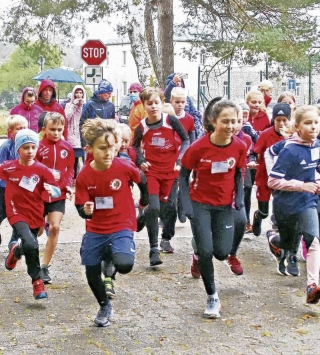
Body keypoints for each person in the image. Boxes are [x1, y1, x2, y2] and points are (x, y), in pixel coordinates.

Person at [75, 118, 148, 327]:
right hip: (96, 228)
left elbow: (142, 179)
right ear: (89, 149)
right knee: (90, 271)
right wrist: (85, 210)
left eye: (111, 148)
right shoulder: (84, 176)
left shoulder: (123, 166)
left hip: (122, 223)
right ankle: (104, 305)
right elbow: (81, 208)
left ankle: (111, 257)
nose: (108, 153)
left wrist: (143, 204)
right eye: (102, 148)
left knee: (124, 265)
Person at [179, 100, 247, 318]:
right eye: (225, 121)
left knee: (221, 252)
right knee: (208, 251)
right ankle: (212, 297)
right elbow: (182, 175)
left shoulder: (239, 146)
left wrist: (240, 200)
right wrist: (186, 205)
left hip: (225, 205)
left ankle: (198, 254)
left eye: (234, 121)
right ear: (213, 121)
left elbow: (238, 173)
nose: (230, 126)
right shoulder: (198, 147)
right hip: (200, 205)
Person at [267, 105, 320, 304]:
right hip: (286, 204)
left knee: (313, 239)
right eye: (308, 123)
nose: (313, 127)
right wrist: (301, 185)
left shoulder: (317, 145)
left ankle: (312, 286)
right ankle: (274, 239)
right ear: (297, 126)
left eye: (316, 122)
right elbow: (273, 181)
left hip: (308, 202)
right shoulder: (290, 150)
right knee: (288, 243)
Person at [132, 87, 189, 265]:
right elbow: (134, 146)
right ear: (144, 105)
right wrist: (140, 160)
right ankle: (153, 249)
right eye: (149, 104)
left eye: (157, 103)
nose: (154, 107)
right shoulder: (142, 126)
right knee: (155, 207)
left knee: (166, 208)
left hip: (171, 172)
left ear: (162, 103)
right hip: (153, 172)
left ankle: (144, 213)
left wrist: (180, 160)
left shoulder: (170, 120)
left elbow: (186, 139)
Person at [2, 129, 60, 300]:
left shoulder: (42, 170)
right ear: (18, 149)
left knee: (29, 244)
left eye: (33, 147)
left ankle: (16, 252)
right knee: (31, 243)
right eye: (25, 147)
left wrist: (52, 189)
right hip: (15, 211)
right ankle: (37, 282)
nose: (30, 151)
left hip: (35, 213)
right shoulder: (9, 167)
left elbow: (56, 190)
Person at [36, 112, 74, 284]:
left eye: (60, 129)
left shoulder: (67, 147)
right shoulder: (36, 146)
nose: (57, 133)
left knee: (55, 228)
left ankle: (44, 266)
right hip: (39, 194)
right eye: (52, 129)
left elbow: (70, 169)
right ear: (44, 129)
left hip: (58, 194)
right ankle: (23, 247)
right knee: (37, 230)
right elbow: (31, 168)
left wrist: (67, 184)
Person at [250, 103, 291, 238]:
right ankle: (258, 216)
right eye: (278, 120)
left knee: (281, 208)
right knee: (264, 211)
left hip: (283, 178)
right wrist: (252, 159)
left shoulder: (293, 136)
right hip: (265, 177)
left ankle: (278, 231)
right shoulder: (266, 134)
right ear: (273, 120)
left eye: (284, 120)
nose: (281, 123)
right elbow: (255, 151)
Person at [0, 115, 28, 246]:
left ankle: (14, 242)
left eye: (24, 127)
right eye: (18, 128)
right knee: (2, 213)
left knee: (20, 216)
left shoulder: (29, 147)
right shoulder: (6, 146)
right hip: (5, 188)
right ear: (11, 131)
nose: (22, 130)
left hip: (22, 189)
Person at [170, 87, 195, 223]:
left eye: (183, 102)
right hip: (169, 154)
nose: (180, 105)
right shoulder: (167, 117)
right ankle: (169, 212)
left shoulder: (189, 119)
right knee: (171, 185)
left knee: (182, 182)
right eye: (177, 102)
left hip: (183, 154)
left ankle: (181, 208)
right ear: (171, 101)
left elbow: (191, 137)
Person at [164, 73, 204, 139]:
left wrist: (194, 119)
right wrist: (173, 82)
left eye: (179, 81)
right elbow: (166, 95)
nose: (180, 104)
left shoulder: (187, 98)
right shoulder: (168, 97)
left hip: (186, 126)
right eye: (175, 82)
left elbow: (194, 112)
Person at [65, 85, 86, 180]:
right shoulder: (68, 105)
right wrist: (74, 106)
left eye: (80, 92)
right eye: (77, 92)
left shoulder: (86, 106)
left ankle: (84, 179)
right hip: (72, 136)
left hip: (82, 136)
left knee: (85, 159)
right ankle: (73, 179)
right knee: (74, 160)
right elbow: (66, 117)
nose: (78, 95)